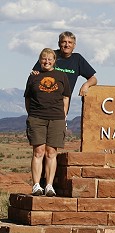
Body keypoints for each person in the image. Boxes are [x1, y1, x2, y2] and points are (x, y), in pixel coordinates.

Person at [24, 48, 71, 197]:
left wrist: (63, 117)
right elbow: (28, 99)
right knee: (38, 151)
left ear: (54, 61)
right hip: (37, 117)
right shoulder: (33, 77)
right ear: (40, 60)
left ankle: (49, 185)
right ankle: (36, 185)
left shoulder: (62, 76)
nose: (47, 61)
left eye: (50, 59)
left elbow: (66, 98)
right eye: (44, 59)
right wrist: (31, 114)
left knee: (51, 152)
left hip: (56, 118)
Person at [32, 31, 97, 98]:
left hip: (63, 101)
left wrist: (86, 85)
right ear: (59, 44)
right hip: (44, 99)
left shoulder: (77, 59)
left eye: (70, 42)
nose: (67, 45)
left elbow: (93, 79)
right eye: (64, 42)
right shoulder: (51, 55)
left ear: (74, 45)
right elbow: (34, 73)